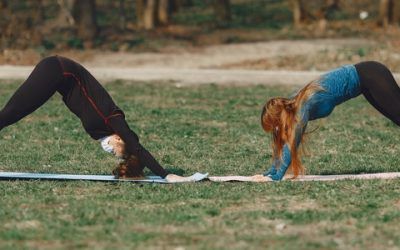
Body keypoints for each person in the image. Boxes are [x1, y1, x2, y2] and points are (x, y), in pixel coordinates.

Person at [0, 56, 185, 182]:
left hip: (59, 76)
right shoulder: (114, 119)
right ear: (120, 138)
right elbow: (137, 148)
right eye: (115, 151)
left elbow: (134, 156)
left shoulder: (102, 131)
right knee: (11, 113)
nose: (111, 151)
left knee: (9, 115)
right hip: (58, 69)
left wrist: (131, 169)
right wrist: (166, 174)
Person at [261, 61, 400, 181]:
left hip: (371, 74)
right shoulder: (293, 104)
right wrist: (273, 168)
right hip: (365, 82)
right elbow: (283, 141)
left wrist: (280, 173)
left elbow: (292, 141)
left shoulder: (301, 106)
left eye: (276, 125)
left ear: (282, 115)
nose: (277, 129)